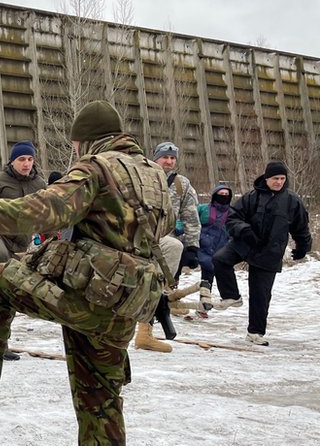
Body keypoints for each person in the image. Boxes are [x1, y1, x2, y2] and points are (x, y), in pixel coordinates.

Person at [0, 101, 174, 446]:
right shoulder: (155, 176)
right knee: (101, 409)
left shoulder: (95, 167)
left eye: (77, 144)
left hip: (87, 300)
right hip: (123, 306)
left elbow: (47, 209)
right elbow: (161, 230)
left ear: (86, 140)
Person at [211, 161, 311, 346]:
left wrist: (303, 246)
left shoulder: (292, 200)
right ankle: (231, 296)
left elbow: (301, 227)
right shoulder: (252, 197)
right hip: (245, 243)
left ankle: (255, 333)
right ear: (266, 179)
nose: (279, 182)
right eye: (275, 178)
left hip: (269, 251)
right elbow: (232, 216)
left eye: (282, 179)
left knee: (260, 294)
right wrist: (244, 230)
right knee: (220, 260)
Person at [133, 141, 200, 352]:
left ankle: (145, 332)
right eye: (165, 157)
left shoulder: (182, 185)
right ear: (156, 158)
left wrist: (193, 247)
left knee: (157, 284)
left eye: (172, 158)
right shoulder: (140, 177)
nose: (169, 161)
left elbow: (191, 216)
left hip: (162, 241)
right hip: (135, 237)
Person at [0, 141, 47, 264]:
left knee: (15, 271)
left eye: (30, 159)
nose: (26, 164)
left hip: (21, 239)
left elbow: (48, 212)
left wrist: (53, 238)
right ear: (12, 161)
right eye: (21, 159)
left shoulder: (40, 184)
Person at [194, 185, 234, 317]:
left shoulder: (232, 213)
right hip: (202, 246)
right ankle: (171, 296)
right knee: (205, 274)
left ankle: (204, 306)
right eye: (220, 193)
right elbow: (190, 219)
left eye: (226, 194)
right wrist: (178, 228)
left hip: (220, 248)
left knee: (212, 275)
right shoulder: (203, 208)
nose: (223, 196)